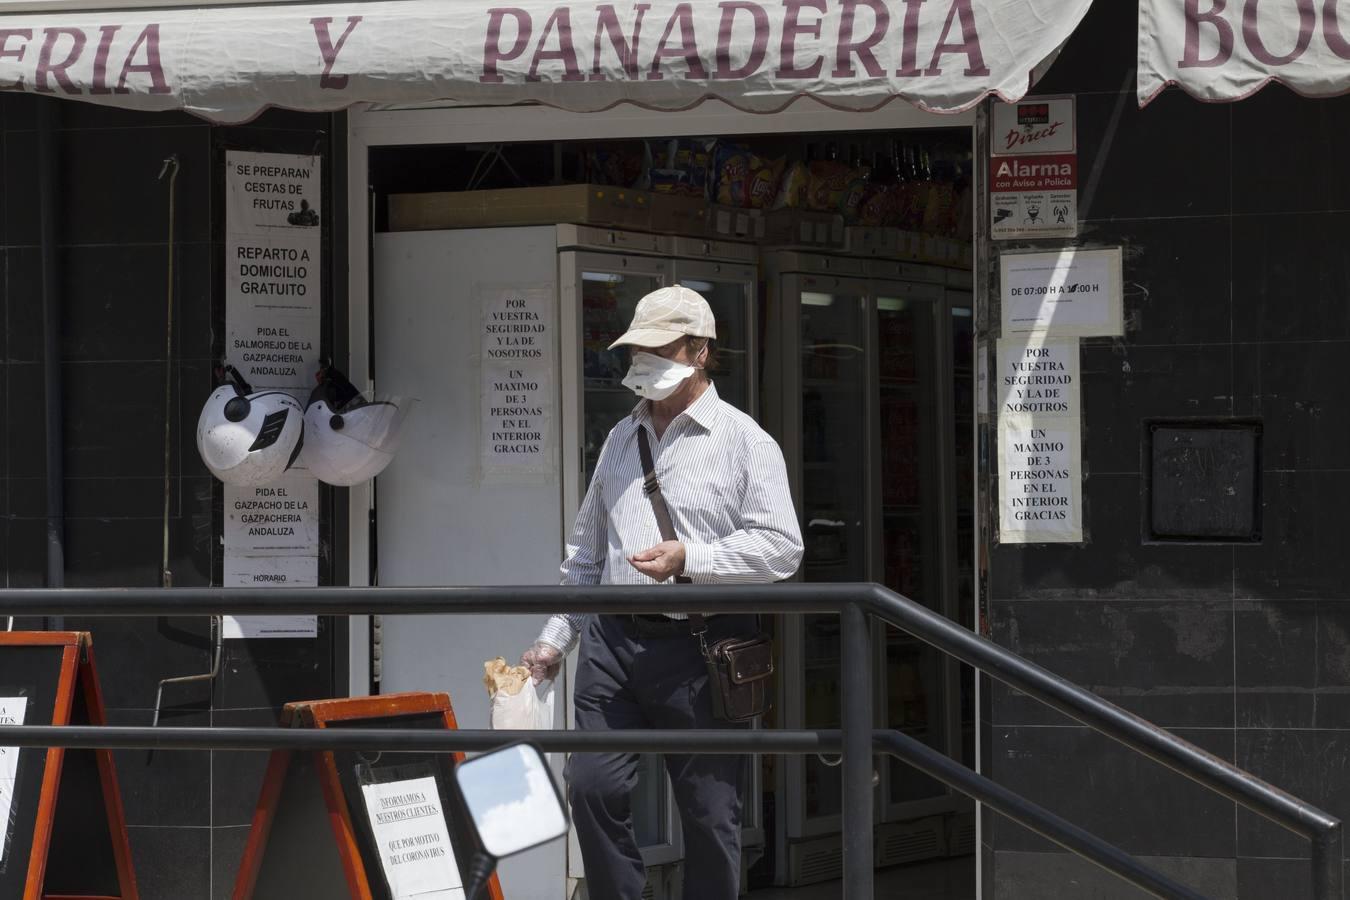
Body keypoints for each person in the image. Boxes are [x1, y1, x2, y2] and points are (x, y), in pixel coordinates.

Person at [521, 285, 803, 900]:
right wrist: (552, 642)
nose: (642, 361)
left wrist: (690, 559)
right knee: (592, 786)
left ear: (701, 351)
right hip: (613, 641)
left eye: (659, 347)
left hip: (701, 647)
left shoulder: (745, 441)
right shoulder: (623, 438)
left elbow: (783, 548)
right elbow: (585, 555)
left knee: (709, 812)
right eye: (636, 349)